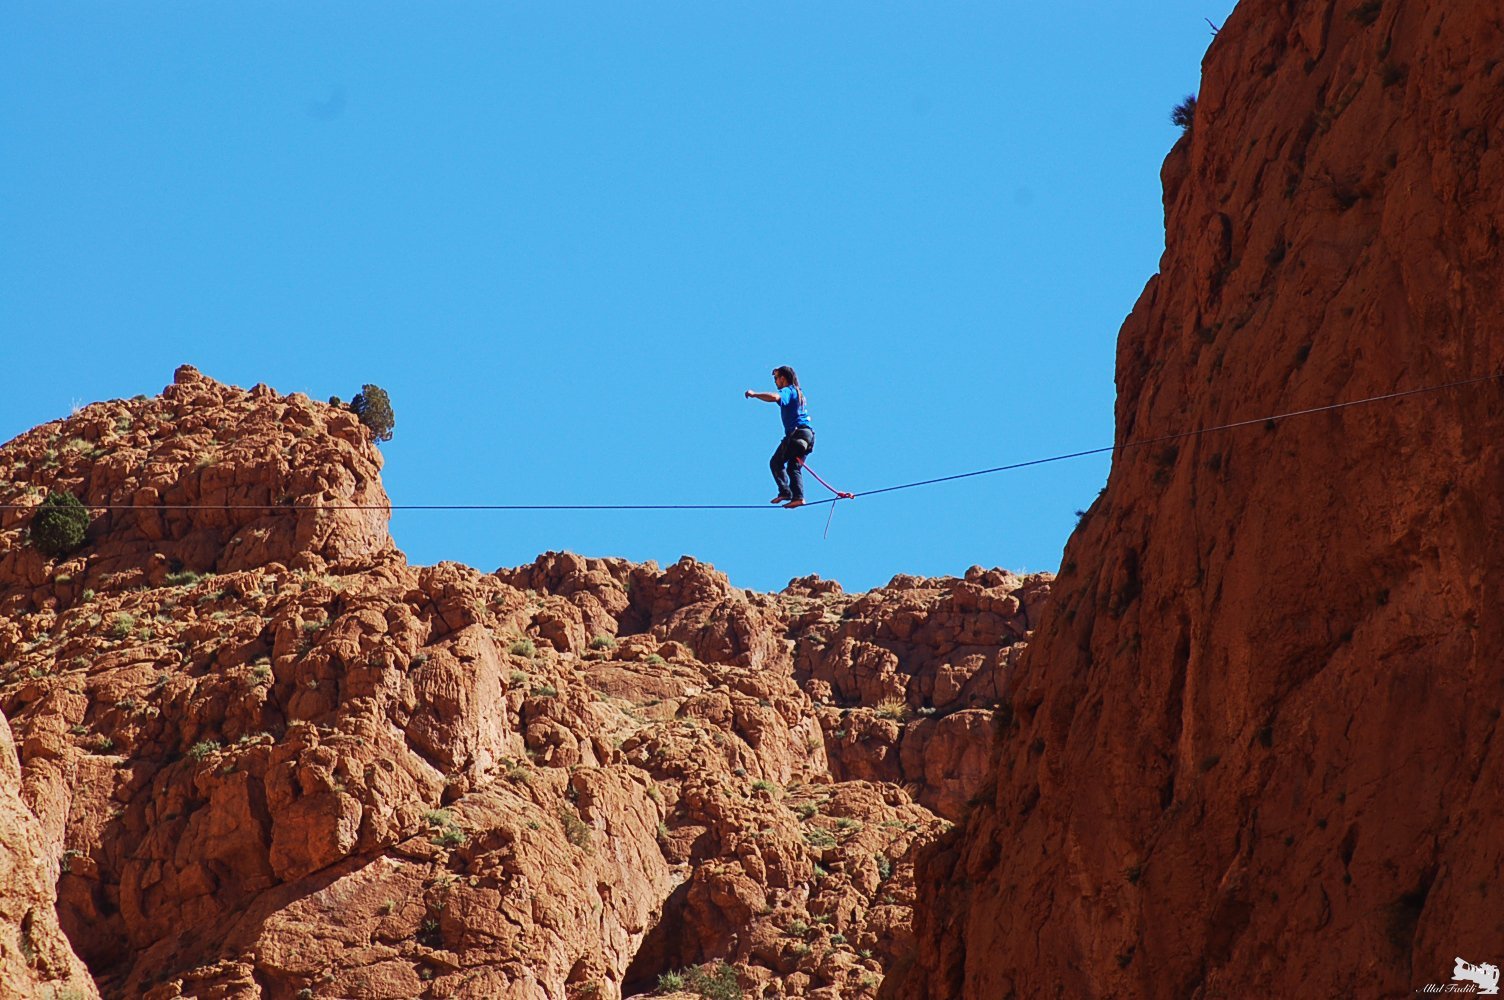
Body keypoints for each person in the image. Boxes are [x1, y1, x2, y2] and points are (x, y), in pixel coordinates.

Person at [745, 366, 815, 509]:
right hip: (808, 436)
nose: (775, 382)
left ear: (783, 378)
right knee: (793, 468)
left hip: (797, 435)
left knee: (775, 462)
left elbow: (775, 397)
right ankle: (798, 498)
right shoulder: (799, 392)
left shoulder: (788, 390)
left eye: (776, 378)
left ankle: (785, 492)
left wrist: (754, 394)